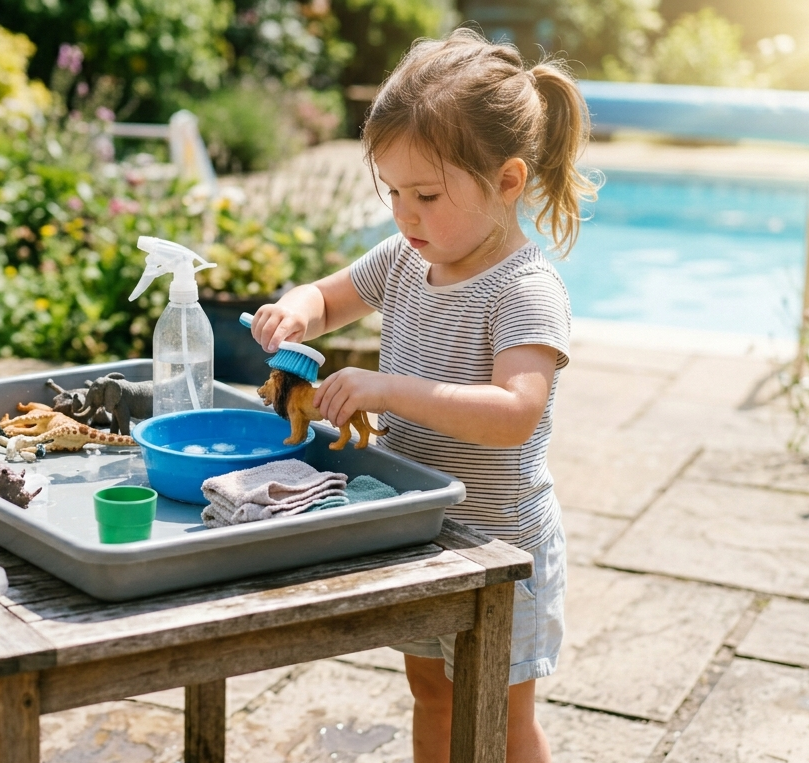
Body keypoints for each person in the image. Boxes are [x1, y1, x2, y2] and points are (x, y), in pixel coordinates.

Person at [245, 27, 599, 763]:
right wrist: (295, 309)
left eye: (426, 195)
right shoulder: (407, 257)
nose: (404, 214)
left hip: (502, 550)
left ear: (506, 181)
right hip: (422, 536)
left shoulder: (523, 290)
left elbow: (515, 415)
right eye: (394, 191)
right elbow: (328, 296)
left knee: (499, 717)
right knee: (432, 695)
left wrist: (391, 389)